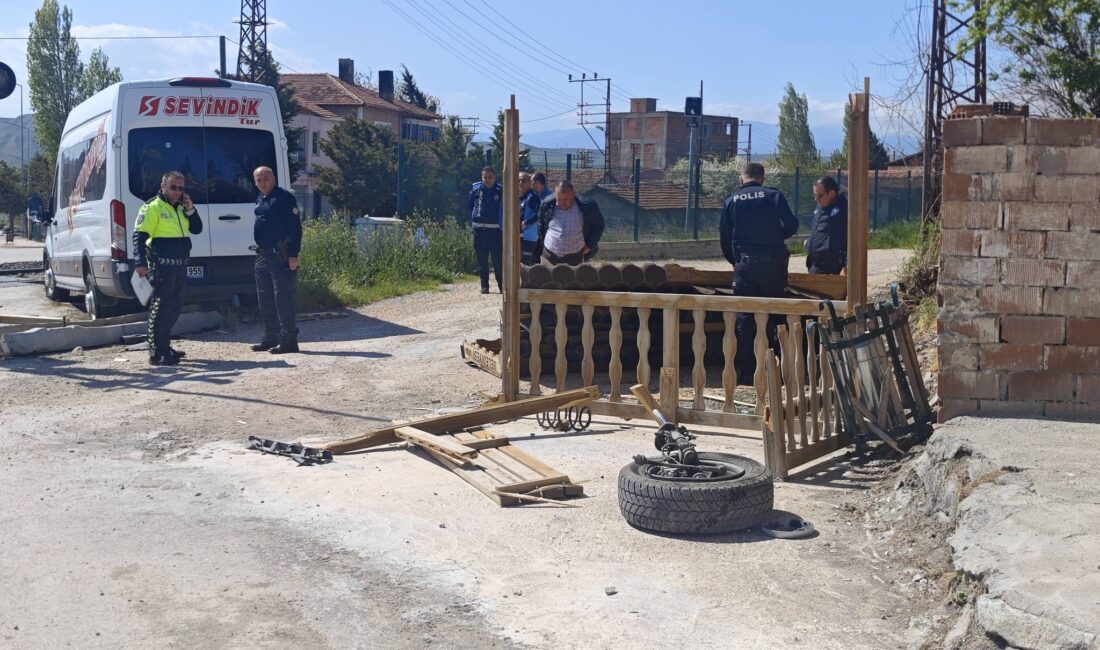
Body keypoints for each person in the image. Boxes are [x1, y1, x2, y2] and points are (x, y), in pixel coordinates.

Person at [719, 162, 799, 385]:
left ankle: (746, 374)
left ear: (741, 178)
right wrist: (774, 237)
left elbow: (725, 239)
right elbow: (792, 224)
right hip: (773, 265)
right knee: (777, 314)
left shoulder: (731, 201)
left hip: (745, 266)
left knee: (745, 319)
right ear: (762, 178)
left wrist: (735, 261)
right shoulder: (773, 196)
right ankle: (780, 372)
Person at [132, 171, 203, 366]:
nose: (178, 192)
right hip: (161, 267)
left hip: (179, 268)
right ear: (163, 186)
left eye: (181, 188)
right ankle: (156, 353)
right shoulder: (152, 207)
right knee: (160, 309)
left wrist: (190, 209)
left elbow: (197, 229)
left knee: (174, 309)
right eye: (173, 187)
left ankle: (165, 346)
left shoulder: (181, 208)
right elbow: (139, 236)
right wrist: (140, 264)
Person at [250, 166, 302, 354]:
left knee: (283, 298)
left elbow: (295, 227)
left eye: (266, 178)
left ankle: (289, 340)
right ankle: (271, 337)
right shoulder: (261, 198)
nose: (263, 183)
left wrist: (294, 254)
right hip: (263, 255)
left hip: (281, 255)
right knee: (264, 297)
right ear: (255, 182)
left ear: (273, 179)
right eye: (259, 180)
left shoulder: (284, 198)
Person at [535, 180, 605, 265]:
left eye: (566, 199)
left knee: (572, 278)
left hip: (574, 256)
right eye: (559, 199)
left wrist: (590, 244)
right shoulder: (547, 205)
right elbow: (541, 226)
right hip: (549, 255)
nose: (563, 202)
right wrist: (543, 244)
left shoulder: (586, 206)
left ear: (573, 194)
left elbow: (598, 225)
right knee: (548, 278)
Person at [467, 166, 503, 293]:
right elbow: (469, 205)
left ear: (495, 177)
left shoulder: (500, 190)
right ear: (482, 178)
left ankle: (501, 286)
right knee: (482, 260)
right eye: (485, 177)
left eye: (490, 177)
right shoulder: (476, 189)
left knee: (498, 261)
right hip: (479, 231)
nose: (487, 180)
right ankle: (485, 286)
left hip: (495, 231)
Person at [806, 176, 848, 275]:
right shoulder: (820, 206)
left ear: (832, 193)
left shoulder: (844, 208)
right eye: (814, 195)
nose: (816, 200)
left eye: (819, 196)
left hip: (829, 263)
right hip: (814, 262)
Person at [518, 172, 540, 265]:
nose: (520, 183)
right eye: (518, 180)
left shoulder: (533, 197)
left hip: (528, 237)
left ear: (530, 183)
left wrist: (526, 222)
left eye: (523, 181)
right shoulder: (519, 197)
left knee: (527, 265)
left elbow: (538, 214)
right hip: (518, 236)